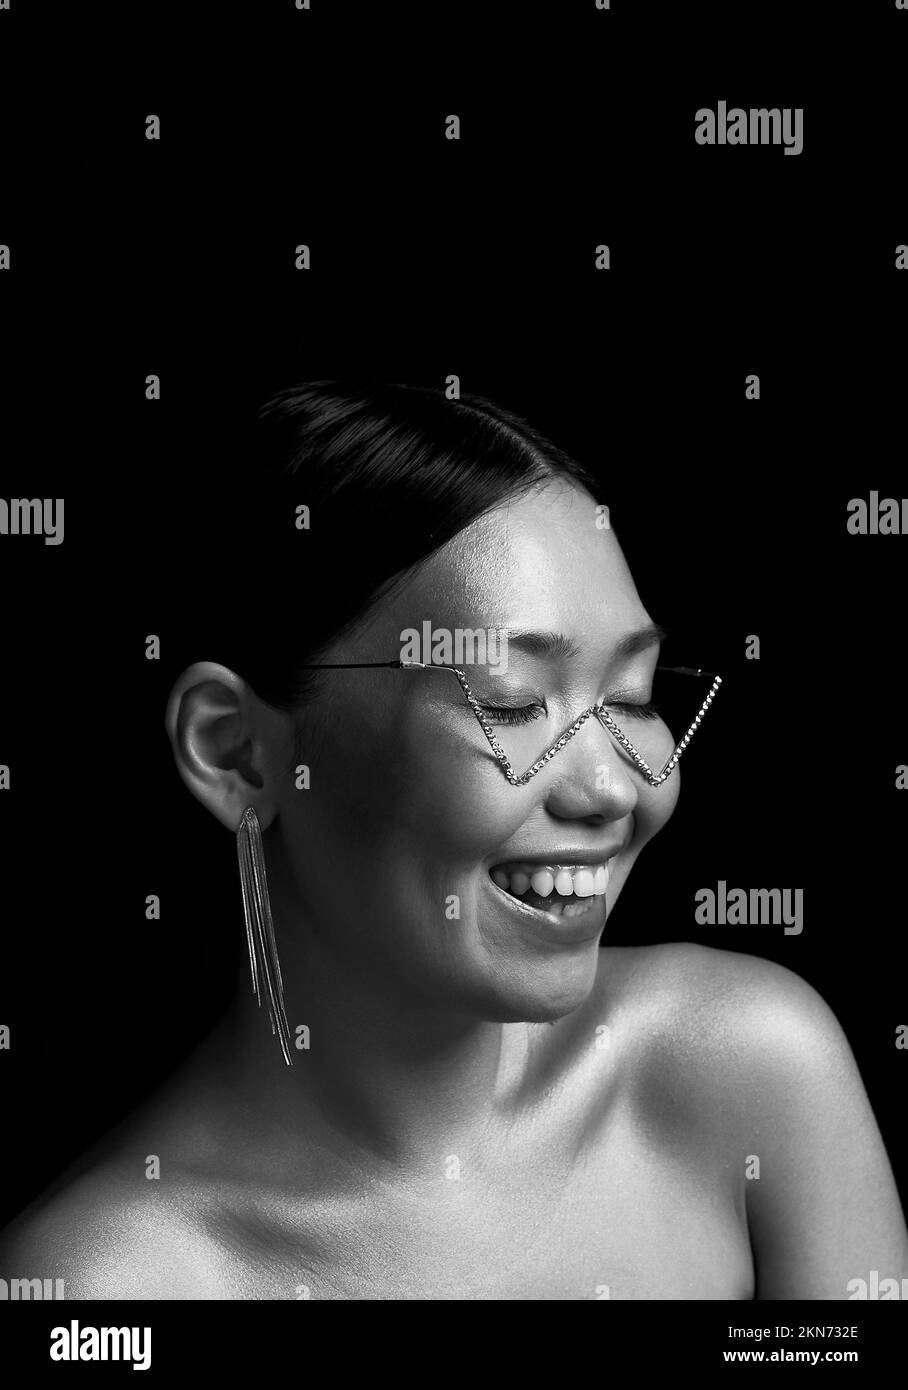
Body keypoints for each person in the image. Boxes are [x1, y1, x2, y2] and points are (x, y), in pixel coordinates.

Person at [1, 382, 905, 1299]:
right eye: (513, 703)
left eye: (631, 698)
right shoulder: (108, 1291)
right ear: (236, 751)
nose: (610, 787)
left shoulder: (746, 1073)